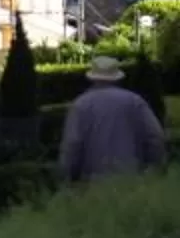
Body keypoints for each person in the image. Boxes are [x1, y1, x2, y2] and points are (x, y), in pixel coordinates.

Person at [59, 55, 168, 184]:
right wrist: (154, 167)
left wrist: (67, 177)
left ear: (92, 78)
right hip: (132, 178)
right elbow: (155, 136)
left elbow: (72, 145)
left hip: (92, 182)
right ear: (118, 78)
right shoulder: (134, 101)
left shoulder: (80, 105)